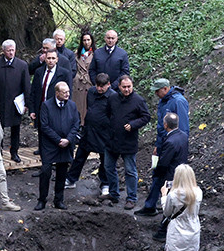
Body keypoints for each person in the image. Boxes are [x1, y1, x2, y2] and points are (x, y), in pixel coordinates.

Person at [101, 75, 150, 210]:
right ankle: (113, 193)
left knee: (130, 171)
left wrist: (133, 124)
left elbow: (146, 116)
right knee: (109, 167)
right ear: (119, 87)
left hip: (129, 141)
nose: (127, 89)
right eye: (124, 87)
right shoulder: (112, 98)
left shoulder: (138, 100)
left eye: (129, 87)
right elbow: (107, 113)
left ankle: (131, 198)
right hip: (112, 140)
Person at [65, 73, 116, 193]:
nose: (99, 89)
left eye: (102, 86)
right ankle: (71, 179)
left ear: (108, 85)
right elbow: (89, 107)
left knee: (105, 159)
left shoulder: (113, 97)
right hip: (89, 130)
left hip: (104, 133)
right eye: (98, 85)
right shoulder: (92, 92)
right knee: (80, 156)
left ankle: (105, 184)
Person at [35, 82, 80, 210]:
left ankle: (58, 200)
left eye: (68, 92)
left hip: (66, 145)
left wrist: (69, 139)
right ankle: (42, 200)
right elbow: (44, 126)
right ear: (57, 93)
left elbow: (76, 124)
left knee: (62, 173)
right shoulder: (46, 105)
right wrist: (58, 139)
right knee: (45, 172)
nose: (67, 94)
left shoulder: (72, 105)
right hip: (50, 145)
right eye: (64, 92)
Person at [136, 113, 189, 217]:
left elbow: (164, 162)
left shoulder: (170, 141)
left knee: (158, 183)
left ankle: (152, 209)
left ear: (165, 125)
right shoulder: (183, 136)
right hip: (181, 170)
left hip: (170, 173)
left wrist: (157, 171)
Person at [0, 39, 30, 163]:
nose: (11, 53)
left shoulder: (22, 65)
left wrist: (27, 104)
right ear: (3, 51)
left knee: (15, 129)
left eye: (13, 50)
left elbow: (26, 86)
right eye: (8, 50)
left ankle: (14, 152)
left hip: (15, 103)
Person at [151, 78, 190, 154]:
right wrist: (158, 145)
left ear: (165, 89)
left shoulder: (178, 101)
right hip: (165, 143)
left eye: (157, 91)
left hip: (173, 145)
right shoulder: (163, 101)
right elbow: (161, 126)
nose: (156, 93)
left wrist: (179, 147)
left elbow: (183, 126)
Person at [73, 32, 95, 123]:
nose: (86, 42)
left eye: (88, 40)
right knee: (77, 105)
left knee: (88, 106)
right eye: (84, 40)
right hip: (78, 83)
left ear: (92, 41)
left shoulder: (96, 54)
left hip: (89, 82)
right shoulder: (76, 54)